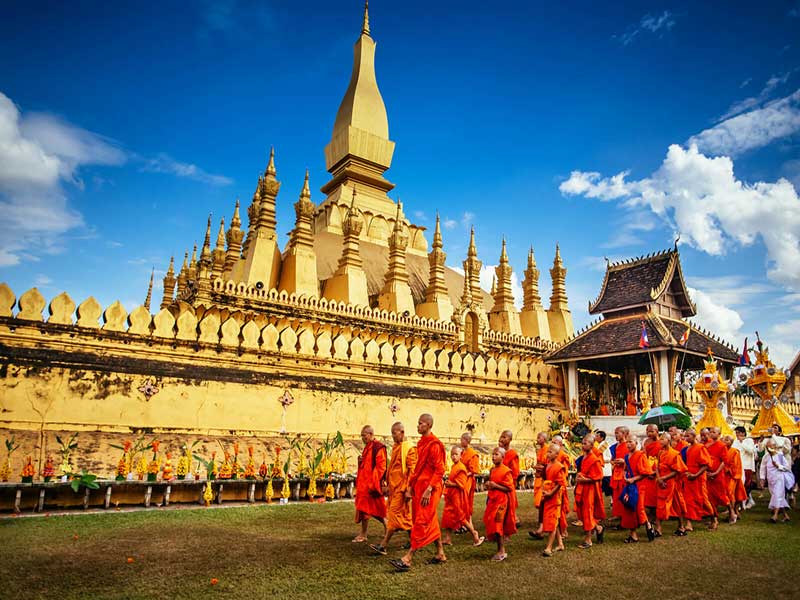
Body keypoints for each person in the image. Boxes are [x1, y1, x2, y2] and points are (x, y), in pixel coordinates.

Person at [390, 414, 446, 571]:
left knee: (422, 520)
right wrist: (411, 487)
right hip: (420, 487)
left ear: (428, 425)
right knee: (429, 519)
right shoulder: (422, 443)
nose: (417, 426)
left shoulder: (435, 445)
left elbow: (440, 470)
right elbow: (418, 469)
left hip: (430, 489)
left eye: (420, 423)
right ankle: (440, 552)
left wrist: (429, 489)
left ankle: (408, 558)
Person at [369, 422, 416, 555]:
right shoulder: (396, 447)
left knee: (393, 515)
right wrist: (387, 483)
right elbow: (393, 468)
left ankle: (383, 545)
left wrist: (409, 489)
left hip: (402, 488)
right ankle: (415, 541)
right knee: (405, 517)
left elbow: (412, 470)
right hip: (394, 487)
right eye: (392, 434)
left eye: (394, 433)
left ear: (402, 432)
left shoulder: (409, 448)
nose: (393, 436)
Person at [441, 446, 484, 547]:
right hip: (451, 496)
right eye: (452, 454)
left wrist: (451, 484)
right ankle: (447, 538)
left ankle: (474, 534)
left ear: (461, 456)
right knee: (448, 516)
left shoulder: (461, 468)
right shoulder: (454, 466)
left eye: (456, 454)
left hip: (457, 497)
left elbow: (462, 484)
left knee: (461, 517)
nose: (453, 457)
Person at [353, 425, 387, 543]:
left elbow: (381, 467)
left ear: (371, 434)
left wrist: (373, 483)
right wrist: (360, 462)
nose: (363, 438)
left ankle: (384, 528)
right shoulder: (368, 447)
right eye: (361, 436)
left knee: (374, 509)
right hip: (364, 485)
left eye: (364, 435)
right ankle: (364, 533)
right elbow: (366, 466)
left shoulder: (378, 447)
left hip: (371, 485)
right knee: (365, 509)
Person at [483, 446, 517, 561]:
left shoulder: (506, 471)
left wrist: (495, 486)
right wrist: (488, 484)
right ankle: (499, 549)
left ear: (503, 457)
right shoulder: (492, 470)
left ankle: (501, 551)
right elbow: (492, 483)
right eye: (492, 454)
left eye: (496, 454)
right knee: (492, 522)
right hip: (493, 500)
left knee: (498, 525)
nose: (493, 457)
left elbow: (509, 488)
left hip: (502, 502)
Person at [619, 434, 655, 543]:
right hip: (629, 485)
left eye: (631, 442)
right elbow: (626, 469)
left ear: (636, 443)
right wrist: (624, 476)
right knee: (629, 508)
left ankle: (648, 525)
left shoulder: (640, 455)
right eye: (627, 442)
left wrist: (634, 479)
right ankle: (633, 535)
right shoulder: (626, 456)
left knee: (639, 508)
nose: (629, 444)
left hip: (639, 485)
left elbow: (646, 472)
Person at [574, 433, 606, 549]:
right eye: (582, 443)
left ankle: (588, 540)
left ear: (592, 445)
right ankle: (598, 528)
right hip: (582, 488)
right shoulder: (584, 458)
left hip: (590, 490)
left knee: (588, 512)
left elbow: (598, 476)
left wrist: (584, 479)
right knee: (582, 513)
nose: (583, 445)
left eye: (585, 443)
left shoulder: (594, 459)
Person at [654, 432, 688, 536]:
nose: (660, 441)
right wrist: (659, 478)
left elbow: (678, 470)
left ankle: (681, 526)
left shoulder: (675, 454)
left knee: (677, 505)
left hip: (672, 482)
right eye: (660, 439)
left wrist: (664, 478)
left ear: (668, 441)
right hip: (661, 483)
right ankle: (658, 528)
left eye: (663, 439)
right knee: (660, 505)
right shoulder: (660, 453)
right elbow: (657, 466)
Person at [683, 428, 716, 531]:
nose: (686, 438)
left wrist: (696, 475)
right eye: (685, 436)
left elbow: (705, 465)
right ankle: (689, 523)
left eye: (688, 436)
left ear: (693, 436)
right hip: (689, 478)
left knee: (703, 500)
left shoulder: (700, 448)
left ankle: (713, 519)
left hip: (698, 478)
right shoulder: (688, 448)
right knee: (688, 500)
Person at [540, 444, 568, 557]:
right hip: (547, 495)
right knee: (552, 521)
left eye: (551, 452)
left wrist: (551, 493)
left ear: (557, 455)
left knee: (552, 521)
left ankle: (549, 547)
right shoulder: (548, 465)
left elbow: (560, 483)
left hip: (554, 497)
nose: (548, 454)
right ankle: (560, 544)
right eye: (548, 452)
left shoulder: (559, 466)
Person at [759, 439, 794, 523]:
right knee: (777, 496)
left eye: (771, 446)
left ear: (775, 446)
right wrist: (762, 479)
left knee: (777, 496)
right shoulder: (766, 457)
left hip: (779, 478)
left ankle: (775, 515)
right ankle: (786, 515)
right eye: (768, 446)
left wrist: (778, 466)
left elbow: (786, 467)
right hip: (771, 479)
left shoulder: (780, 456)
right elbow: (762, 468)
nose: (770, 448)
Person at [704, 427, 735, 525]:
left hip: (718, 474)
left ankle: (732, 513)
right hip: (708, 474)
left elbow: (724, 461)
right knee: (710, 496)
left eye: (714, 432)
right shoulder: (706, 445)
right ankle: (714, 517)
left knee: (722, 496)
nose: (711, 433)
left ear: (719, 434)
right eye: (711, 432)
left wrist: (716, 472)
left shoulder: (722, 445)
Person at [459, 431, 481, 528]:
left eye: (462, 440)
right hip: (461, 479)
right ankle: (462, 523)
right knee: (459, 501)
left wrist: (464, 474)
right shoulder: (462, 452)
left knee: (466, 501)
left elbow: (474, 470)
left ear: (466, 440)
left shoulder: (473, 454)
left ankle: (468, 523)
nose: (460, 441)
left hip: (468, 480)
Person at [529, 432, 550, 538]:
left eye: (539, 437)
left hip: (546, 480)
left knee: (544, 503)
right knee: (541, 504)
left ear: (545, 439)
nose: (537, 439)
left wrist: (538, 467)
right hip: (540, 478)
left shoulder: (547, 449)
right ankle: (541, 528)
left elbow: (547, 466)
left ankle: (543, 528)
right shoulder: (540, 449)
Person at [499, 430, 520, 529]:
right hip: (498, 484)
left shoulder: (512, 454)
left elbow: (515, 473)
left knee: (508, 506)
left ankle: (512, 521)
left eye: (504, 437)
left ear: (510, 440)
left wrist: (508, 482)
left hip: (507, 484)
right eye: (501, 437)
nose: (502, 439)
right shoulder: (499, 453)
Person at [722, 434, 747, 518]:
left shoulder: (735, 451)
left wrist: (728, 469)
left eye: (727, 440)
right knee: (727, 493)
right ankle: (733, 511)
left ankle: (732, 512)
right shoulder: (723, 450)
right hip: (724, 476)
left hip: (732, 476)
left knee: (731, 493)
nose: (725, 441)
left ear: (731, 442)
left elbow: (735, 464)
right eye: (724, 439)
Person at [609, 426, 630, 522]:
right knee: (615, 494)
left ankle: (624, 514)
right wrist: (612, 461)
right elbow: (613, 458)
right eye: (615, 433)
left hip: (623, 472)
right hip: (616, 472)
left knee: (623, 493)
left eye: (618, 433)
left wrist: (623, 461)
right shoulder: (615, 446)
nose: (616, 435)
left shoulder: (628, 445)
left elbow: (631, 459)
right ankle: (617, 514)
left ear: (625, 434)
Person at [733, 426, 757, 509]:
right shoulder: (735, 441)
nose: (737, 434)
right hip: (737, 466)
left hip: (747, 466)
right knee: (739, 485)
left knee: (745, 485)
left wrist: (742, 442)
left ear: (743, 433)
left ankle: (743, 503)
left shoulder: (749, 440)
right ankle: (744, 502)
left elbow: (751, 451)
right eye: (736, 433)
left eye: (739, 433)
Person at [641, 424, 660, 523]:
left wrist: (655, 471)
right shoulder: (646, 442)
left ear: (657, 431)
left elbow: (662, 457)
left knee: (656, 494)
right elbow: (643, 455)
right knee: (648, 494)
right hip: (648, 468)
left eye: (651, 431)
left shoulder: (661, 442)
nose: (649, 433)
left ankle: (657, 516)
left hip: (658, 469)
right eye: (647, 431)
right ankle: (651, 514)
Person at [596, 430, 613, 499]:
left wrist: (600, 459)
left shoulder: (605, 446)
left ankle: (612, 500)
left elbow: (609, 457)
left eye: (597, 436)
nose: (596, 437)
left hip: (606, 469)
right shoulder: (598, 445)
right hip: (601, 469)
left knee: (609, 487)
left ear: (602, 438)